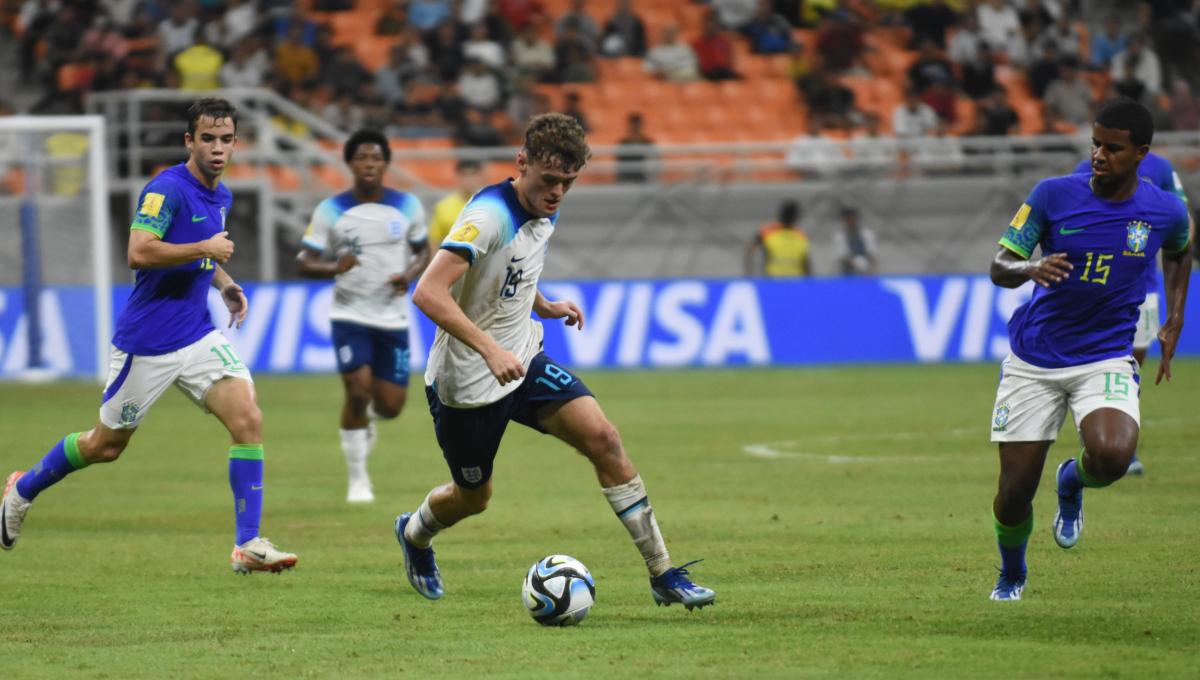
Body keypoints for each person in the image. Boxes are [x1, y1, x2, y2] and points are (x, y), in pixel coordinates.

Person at [393, 113, 716, 610]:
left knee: (605, 439)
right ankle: (414, 534)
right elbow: (429, 293)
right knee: (473, 498)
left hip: (523, 359)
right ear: (521, 163)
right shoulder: (487, 217)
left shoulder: (544, 205)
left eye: (568, 183)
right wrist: (489, 348)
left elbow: (511, 267)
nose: (558, 193)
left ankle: (663, 573)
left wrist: (542, 305)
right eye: (549, 182)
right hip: (468, 383)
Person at [0, 98, 299, 573]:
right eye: (208, 139)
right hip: (148, 341)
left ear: (236, 143)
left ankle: (248, 545)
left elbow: (204, 253)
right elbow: (139, 252)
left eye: (226, 140)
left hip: (198, 333)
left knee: (248, 419)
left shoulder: (222, 195)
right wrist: (206, 248)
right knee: (105, 446)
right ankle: (22, 489)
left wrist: (224, 283)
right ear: (189, 141)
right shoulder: (166, 190)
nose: (217, 148)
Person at [986, 99, 1191, 602]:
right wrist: (1029, 269)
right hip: (1035, 360)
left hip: (1104, 356)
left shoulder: (1164, 209)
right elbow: (999, 265)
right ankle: (1012, 573)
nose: (1099, 155)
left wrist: (1175, 317)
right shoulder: (1053, 195)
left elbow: (1182, 249)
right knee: (1013, 495)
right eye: (1095, 143)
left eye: (1113, 147)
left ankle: (1073, 480)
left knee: (1114, 455)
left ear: (1141, 153)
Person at [296, 130, 431, 503]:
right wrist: (334, 268)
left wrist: (409, 274)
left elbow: (425, 251)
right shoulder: (331, 210)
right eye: (362, 158)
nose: (369, 164)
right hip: (349, 315)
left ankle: (367, 421)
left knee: (390, 406)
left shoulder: (407, 207)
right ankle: (358, 480)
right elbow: (304, 262)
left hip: (393, 319)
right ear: (350, 163)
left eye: (376, 158)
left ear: (386, 164)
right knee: (357, 391)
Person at [1071, 145, 1192, 476]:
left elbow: (1183, 218)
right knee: (1097, 361)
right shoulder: (1085, 167)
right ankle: (1096, 430)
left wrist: (1178, 243)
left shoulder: (1161, 169)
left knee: (1131, 365)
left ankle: (1122, 438)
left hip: (1144, 287)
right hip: (1100, 290)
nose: (1103, 151)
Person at [743, 200, 812, 277]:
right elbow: (806, 263)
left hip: (773, 280)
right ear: (796, 217)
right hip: (794, 282)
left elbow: (750, 248)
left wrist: (749, 271)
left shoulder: (767, 232)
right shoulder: (801, 236)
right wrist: (810, 282)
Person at [429, 159, 485, 247]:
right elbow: (435, 241)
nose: (468, 179)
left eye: (472, 174)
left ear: (480, 177)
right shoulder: (443, 207)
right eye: (464, 175)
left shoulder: (490, 205)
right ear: (457, 176)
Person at [833, 206, 877, 274]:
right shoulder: (840, 236)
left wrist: (867, 265)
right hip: (847, 273)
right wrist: (855, 264)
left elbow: (871, 252)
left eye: (853, 218)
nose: (851, 221)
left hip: (866, 272)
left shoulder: (867, 234)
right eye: (848, 218)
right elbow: (841, 256)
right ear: (844, 220)